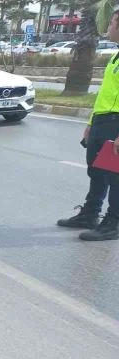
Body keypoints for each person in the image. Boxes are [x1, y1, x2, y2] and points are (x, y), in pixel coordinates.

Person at [57, 10, 119, 241]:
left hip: (117, 122)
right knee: (97, 171)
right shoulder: (116, 56)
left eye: (112, 22)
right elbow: (107, 94)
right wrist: (92, 123)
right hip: (103, 121)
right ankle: (90, 214)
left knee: (115, 176)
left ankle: (113, 223)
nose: (109, 26)